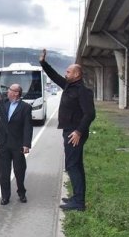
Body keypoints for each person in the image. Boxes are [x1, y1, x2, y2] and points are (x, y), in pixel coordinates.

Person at [39, 49, 96, 211]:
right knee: (75, 165)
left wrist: (78, 132)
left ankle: (78, 202)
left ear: (77, 75)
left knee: (72, 165)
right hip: (70, 131)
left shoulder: (82, 91)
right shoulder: (69, 86)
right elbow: (53, 76)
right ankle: (77, 197)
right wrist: (43, 63)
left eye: (69, 71)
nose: (66, 73)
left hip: (74, 132)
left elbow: (90, 114)